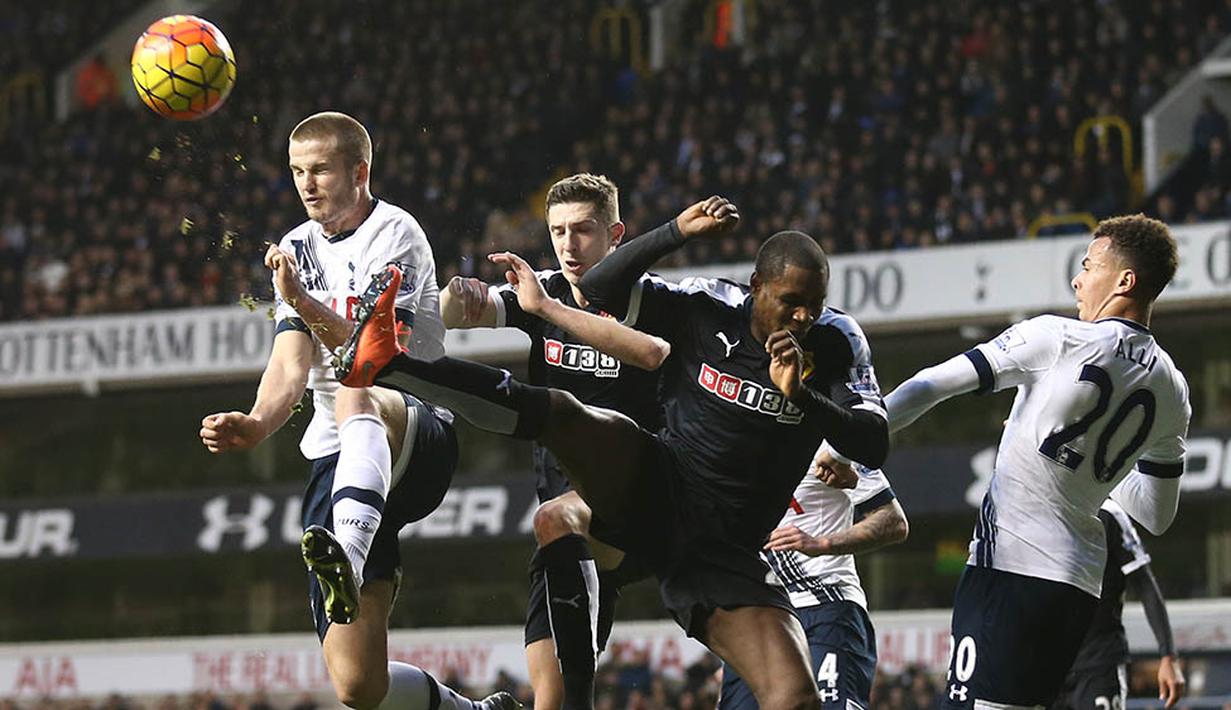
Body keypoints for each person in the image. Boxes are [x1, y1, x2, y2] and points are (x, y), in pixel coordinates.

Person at [334, 198, 889, 710]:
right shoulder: (707, 306)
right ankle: (390, 363)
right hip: (661, 485)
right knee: (564, 441)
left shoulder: (837, 341)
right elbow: (599, 290)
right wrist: (675, 231)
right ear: (757, 285)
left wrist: (803, 397)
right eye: (790, 303)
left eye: (812, 305)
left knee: (795, 697)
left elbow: (873, 442)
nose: (802, 318)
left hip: (724, 551)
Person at [198, 111, 514, 710]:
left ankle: (347, 546)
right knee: (358, 685)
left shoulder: (397, 233)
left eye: (320, 169)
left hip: (415, 424)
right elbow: (291, 363)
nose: (306, 184)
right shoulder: (295, 246)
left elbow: (373, 353)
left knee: (353, 384)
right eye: (296, 171)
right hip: (338, 459)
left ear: (360, 171)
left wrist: (298, 298)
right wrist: (258, 423)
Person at [883, 214, 1190, 707]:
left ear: (1125, 281)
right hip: (1077, 590)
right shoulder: (1173, 388)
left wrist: (850, 441)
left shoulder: (1058, 337)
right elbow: (1157, 514)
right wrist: (1088, 466)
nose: (1078, 278)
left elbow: (931, 384)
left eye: (1089, 266)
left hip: (1009, 570)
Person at [441, 173, 663, 710]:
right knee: (552, 699)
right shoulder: (540, 291)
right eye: (558, 231)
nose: (568, 244)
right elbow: (458, 314)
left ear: (615, 234)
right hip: (565, 529)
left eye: (583, 230)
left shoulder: (655, 302)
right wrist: (458, 296)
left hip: (631, 502)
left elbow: (656, 356)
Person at [720, 445, 909, 709]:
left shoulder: (831, 442)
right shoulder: (726, 440)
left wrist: (822, 543)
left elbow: (892, 520)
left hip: (825, 604)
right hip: (756, 615)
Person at [1051, 499, 1185, 710]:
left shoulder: (1107, 513)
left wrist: (1168, 655)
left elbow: (1144, 583)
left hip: (1099, 663)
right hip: (1044, 668)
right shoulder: (1033, 509)